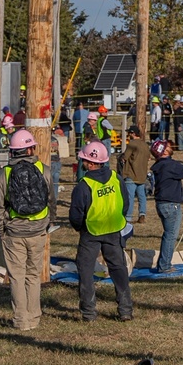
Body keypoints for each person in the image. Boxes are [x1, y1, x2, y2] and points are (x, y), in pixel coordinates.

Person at [69, 139, 133, 325]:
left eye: (83, 160)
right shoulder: (116, 178)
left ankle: (89, 313)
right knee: (119, 270)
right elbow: (125, 204)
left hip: (91, 232)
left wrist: (80, 228)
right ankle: (125, 310)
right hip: (113, 231)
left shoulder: (84, 185)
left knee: (86, 272)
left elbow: (76, 214)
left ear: (89, 162)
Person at [0, 128, 51, 332]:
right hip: (38, 231)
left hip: (13, 232)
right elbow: (50, 201)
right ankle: (34, 317)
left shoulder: (4, 174)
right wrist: (46, 224)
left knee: (16, 276)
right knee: (33, 275)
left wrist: (2, 230)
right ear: (31, 148)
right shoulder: (44, 170)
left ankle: (21, 320)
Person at [149, 138, 183, 272]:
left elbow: (181, 171)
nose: (170, 146)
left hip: (163, 204)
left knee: (168, 234)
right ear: (164, 151)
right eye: (167, 146)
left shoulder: (163, 165)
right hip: (170, 206)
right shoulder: (169, 165)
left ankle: (164, 263)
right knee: (170, 236)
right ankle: (165, 266)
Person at [122, 125, 152, 223]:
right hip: (142, 174)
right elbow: (149, 158)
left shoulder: (132, 144)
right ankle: (142, 214)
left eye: (129, 133)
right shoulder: (145, 145)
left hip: (131, 173)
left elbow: (125, 157)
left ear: (133, 134)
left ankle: (128, 217)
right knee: (142, 196)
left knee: (129, 197)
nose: (128, 135)